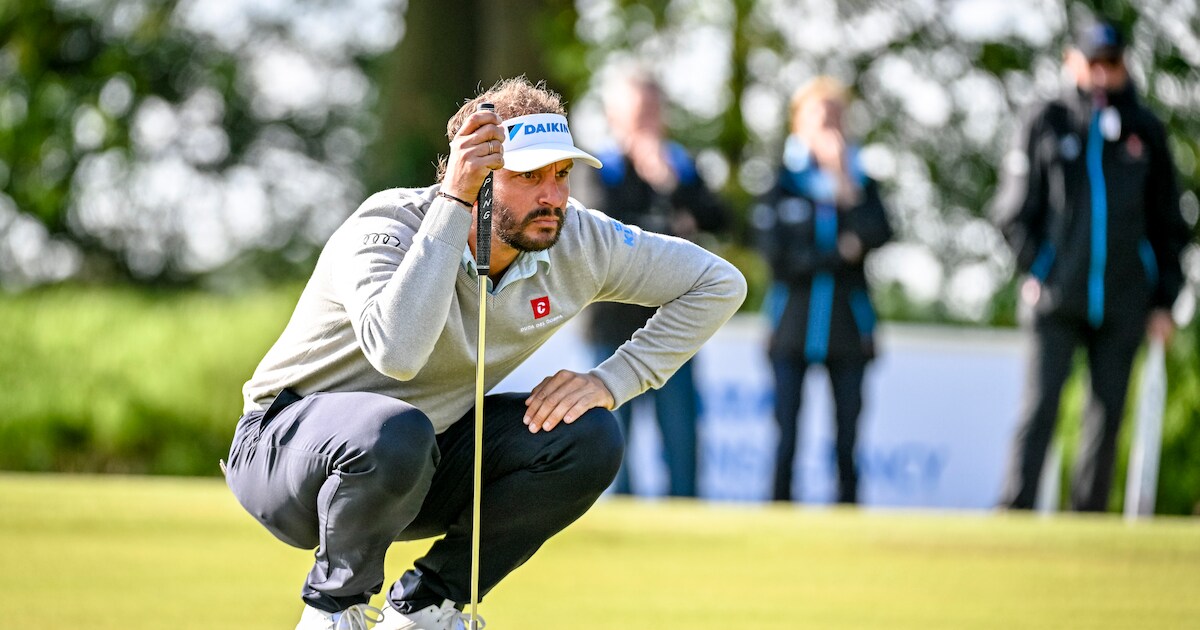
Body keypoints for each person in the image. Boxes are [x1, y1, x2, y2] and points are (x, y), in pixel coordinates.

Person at [224, 76, 747, 629]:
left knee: (589, 435)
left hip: (415, 459)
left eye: (561, 174)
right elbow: (397, 353)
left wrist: (612, 381)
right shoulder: (388, 224)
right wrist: (455, 204)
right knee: (396, 430)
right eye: (529, 176)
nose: (553, 197)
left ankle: (425, 607)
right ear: (473, 174)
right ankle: (333, 609)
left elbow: (718, 283)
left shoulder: (578, 238)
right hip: (284, 456)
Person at [991, 20, 1191, 512]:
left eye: (1112, 63)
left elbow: (1169, 224)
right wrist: (1037, 269)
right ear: (1072, 61)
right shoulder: (1046, 120)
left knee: (1106, 417)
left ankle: (1087, 521)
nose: (1102, 73)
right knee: (1040, 407)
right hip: (1055, 295)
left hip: (1124, 299)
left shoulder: (1146, 129)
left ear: (1124, 64)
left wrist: (1164, 299)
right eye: (1093, 62)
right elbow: (1013, 211)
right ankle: (1014, 513)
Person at [578, 70, 731, 498]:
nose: (647, 120)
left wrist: (669, 185)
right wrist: (670, 224)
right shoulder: (599, 166)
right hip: (611, 324)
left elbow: (721, 218)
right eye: (639, 111)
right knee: (612, 439)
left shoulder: (681, 167)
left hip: (673, 324)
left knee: (681, 440)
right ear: (615, 115)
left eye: (653, 110)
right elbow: (599, 227)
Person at [752, 76, 893, 505]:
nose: (829, 126)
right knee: (786, 434)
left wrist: (846, 186)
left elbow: (880, 232)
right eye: (819, 117)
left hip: (850, 326)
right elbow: (778, 257)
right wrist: (839, 253)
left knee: (848, 436)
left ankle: (848, 510)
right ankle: (779, 510)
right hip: (789, 327)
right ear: (799, 123)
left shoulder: (861, 183)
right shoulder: (781, 182)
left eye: (836, 117)